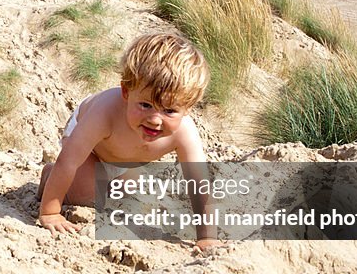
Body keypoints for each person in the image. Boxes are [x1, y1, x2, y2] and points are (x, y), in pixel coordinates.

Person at [36, 33, 220, 250]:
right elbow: (69, 161)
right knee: (88, 195)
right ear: (126, 91)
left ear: (188, 108)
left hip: (126, 157)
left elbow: (198, 182)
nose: (154, 120)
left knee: (130, 194)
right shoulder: (104, 113)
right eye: (145, 105)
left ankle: (117, 174)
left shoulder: (184, 131)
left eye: (169, 111)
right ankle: (49, 175)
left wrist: (207, 237)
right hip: (90, 148)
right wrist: (50, 211)